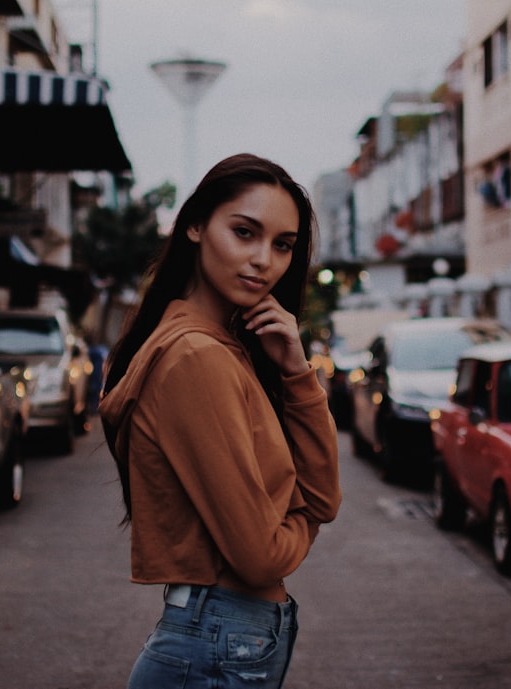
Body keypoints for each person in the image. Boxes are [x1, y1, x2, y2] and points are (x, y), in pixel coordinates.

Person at [98, 153, 341, 689]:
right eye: (244, 232)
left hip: (222, 638)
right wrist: (299, 526)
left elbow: (324, 497)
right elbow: (259, 558)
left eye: (283, 244)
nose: (264, 261)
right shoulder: (196, 358)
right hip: (219, 641)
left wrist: (298, 373)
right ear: (193, 226)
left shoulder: (223, 349)